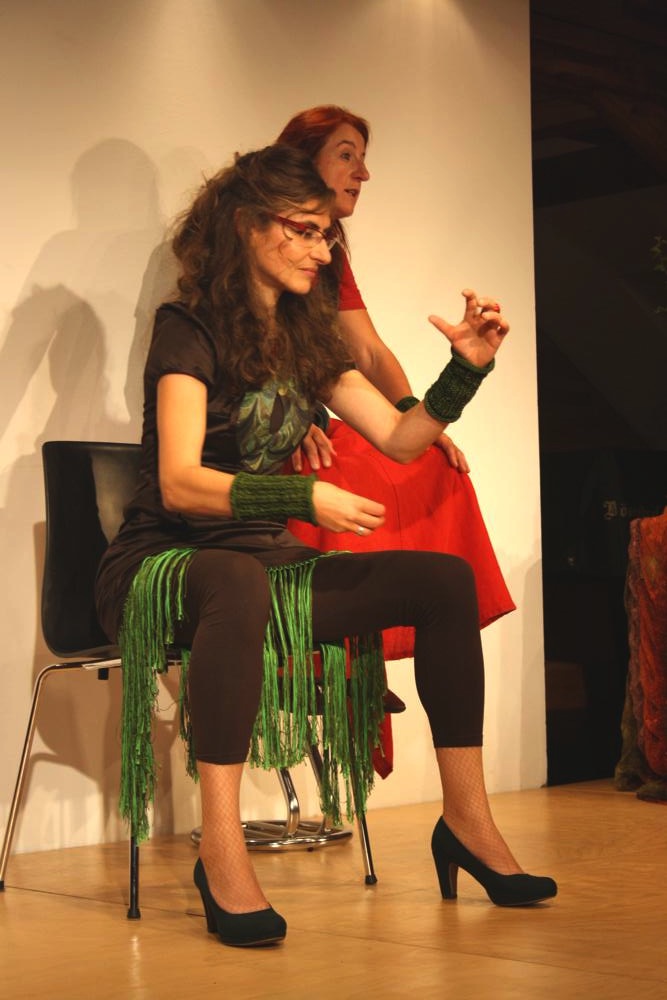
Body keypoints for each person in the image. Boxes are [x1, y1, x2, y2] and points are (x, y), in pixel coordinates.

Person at [95, 144, 556, 950]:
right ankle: (221, 850)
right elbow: (178, 483)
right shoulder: (188, 326)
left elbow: (400, 438)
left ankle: (466, 821)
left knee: (443, 580)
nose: (321, 248)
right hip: (163, 563)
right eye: (302, 230)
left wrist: (464, 371)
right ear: (248, 226)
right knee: (235, 578)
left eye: (325, 234)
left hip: (263, 568)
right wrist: (298, 496)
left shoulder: (305, 336)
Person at [276, 105, 515, 645]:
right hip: (269, 439)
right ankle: (333, 653)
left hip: (311, 419)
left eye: (363, 159)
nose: (362, 174)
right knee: (332, 472)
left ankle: (401, 629)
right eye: (346, 156)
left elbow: (366, 351)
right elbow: (241, 361)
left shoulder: (329, 256)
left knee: (435, 465)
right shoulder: (229, 285)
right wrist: (283, 418)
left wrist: (417, 413)